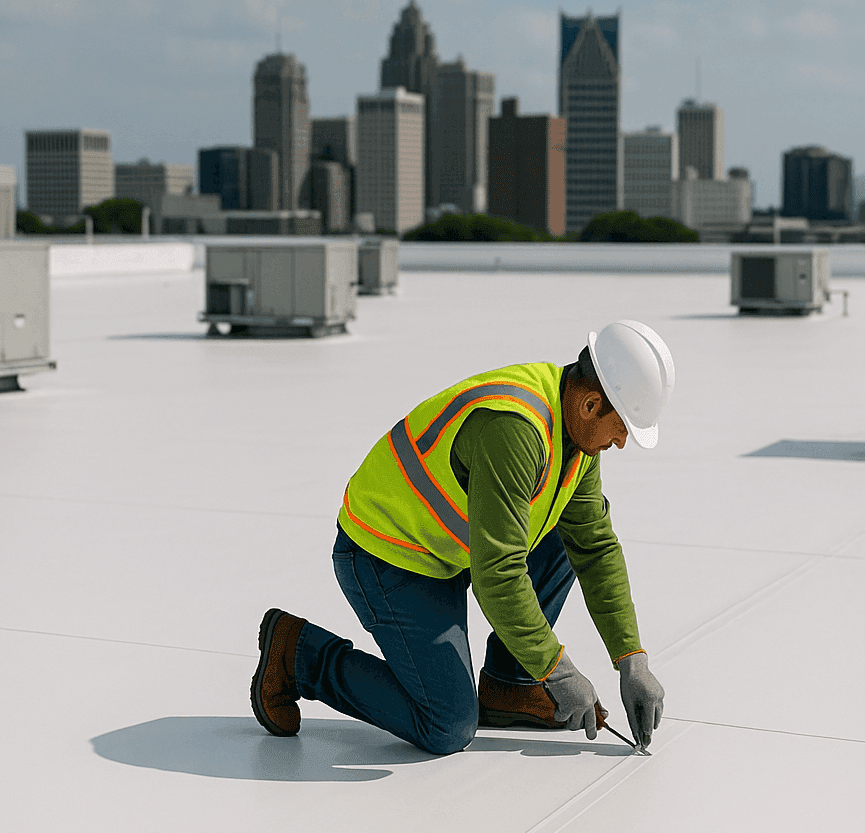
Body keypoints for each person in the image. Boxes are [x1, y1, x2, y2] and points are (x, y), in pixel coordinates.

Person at [250, 319, 674, 755]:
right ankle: (299, 655)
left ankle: (510, 684)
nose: (621, 442)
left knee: (569, 537)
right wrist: (557, 670)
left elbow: (595, 546)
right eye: (622, 426)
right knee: (447, 724)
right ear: (590, 405)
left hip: (449, 550)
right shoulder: (516, 430)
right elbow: (500, 574)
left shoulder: (577, 435)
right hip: (389, 555)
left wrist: (631, 660)